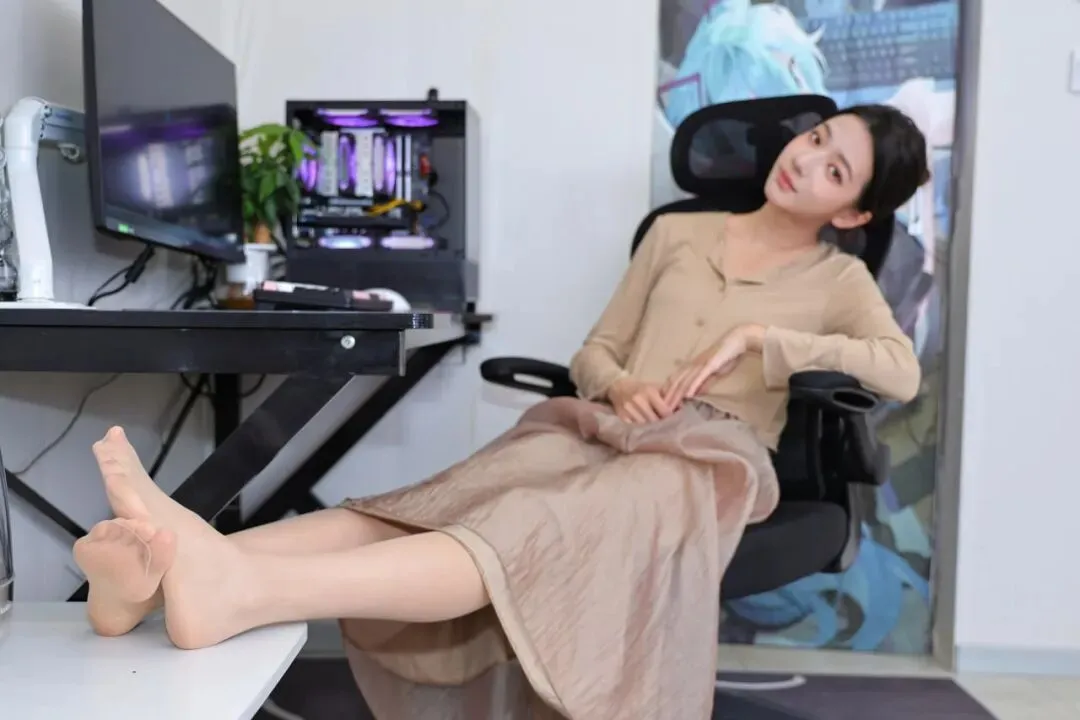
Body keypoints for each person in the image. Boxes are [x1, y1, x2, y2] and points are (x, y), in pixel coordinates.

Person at [73, 103, 928, 720]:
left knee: (528, 529)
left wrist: (765, 338)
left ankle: (239, 589)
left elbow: (901, 373)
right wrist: (619, 385)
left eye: (835, 169)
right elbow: (596, 352)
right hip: (602, 426)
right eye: (818, 137)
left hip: (707, 457)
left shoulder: (839, 281)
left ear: (853, 212)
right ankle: (159, 577)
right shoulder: (677, 234)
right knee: (433, 505)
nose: (806, 160)